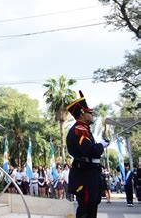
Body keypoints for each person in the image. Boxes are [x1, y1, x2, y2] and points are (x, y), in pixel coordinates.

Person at [66, 90, 108, 218]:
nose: (92, 114)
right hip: (85, 174)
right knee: (86, 207)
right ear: (82, 114)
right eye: (90, 112)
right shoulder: (80, 129)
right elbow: (90, 151)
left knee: (91, 206)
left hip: (89, 172)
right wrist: (101, 145)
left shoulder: (84, 129)